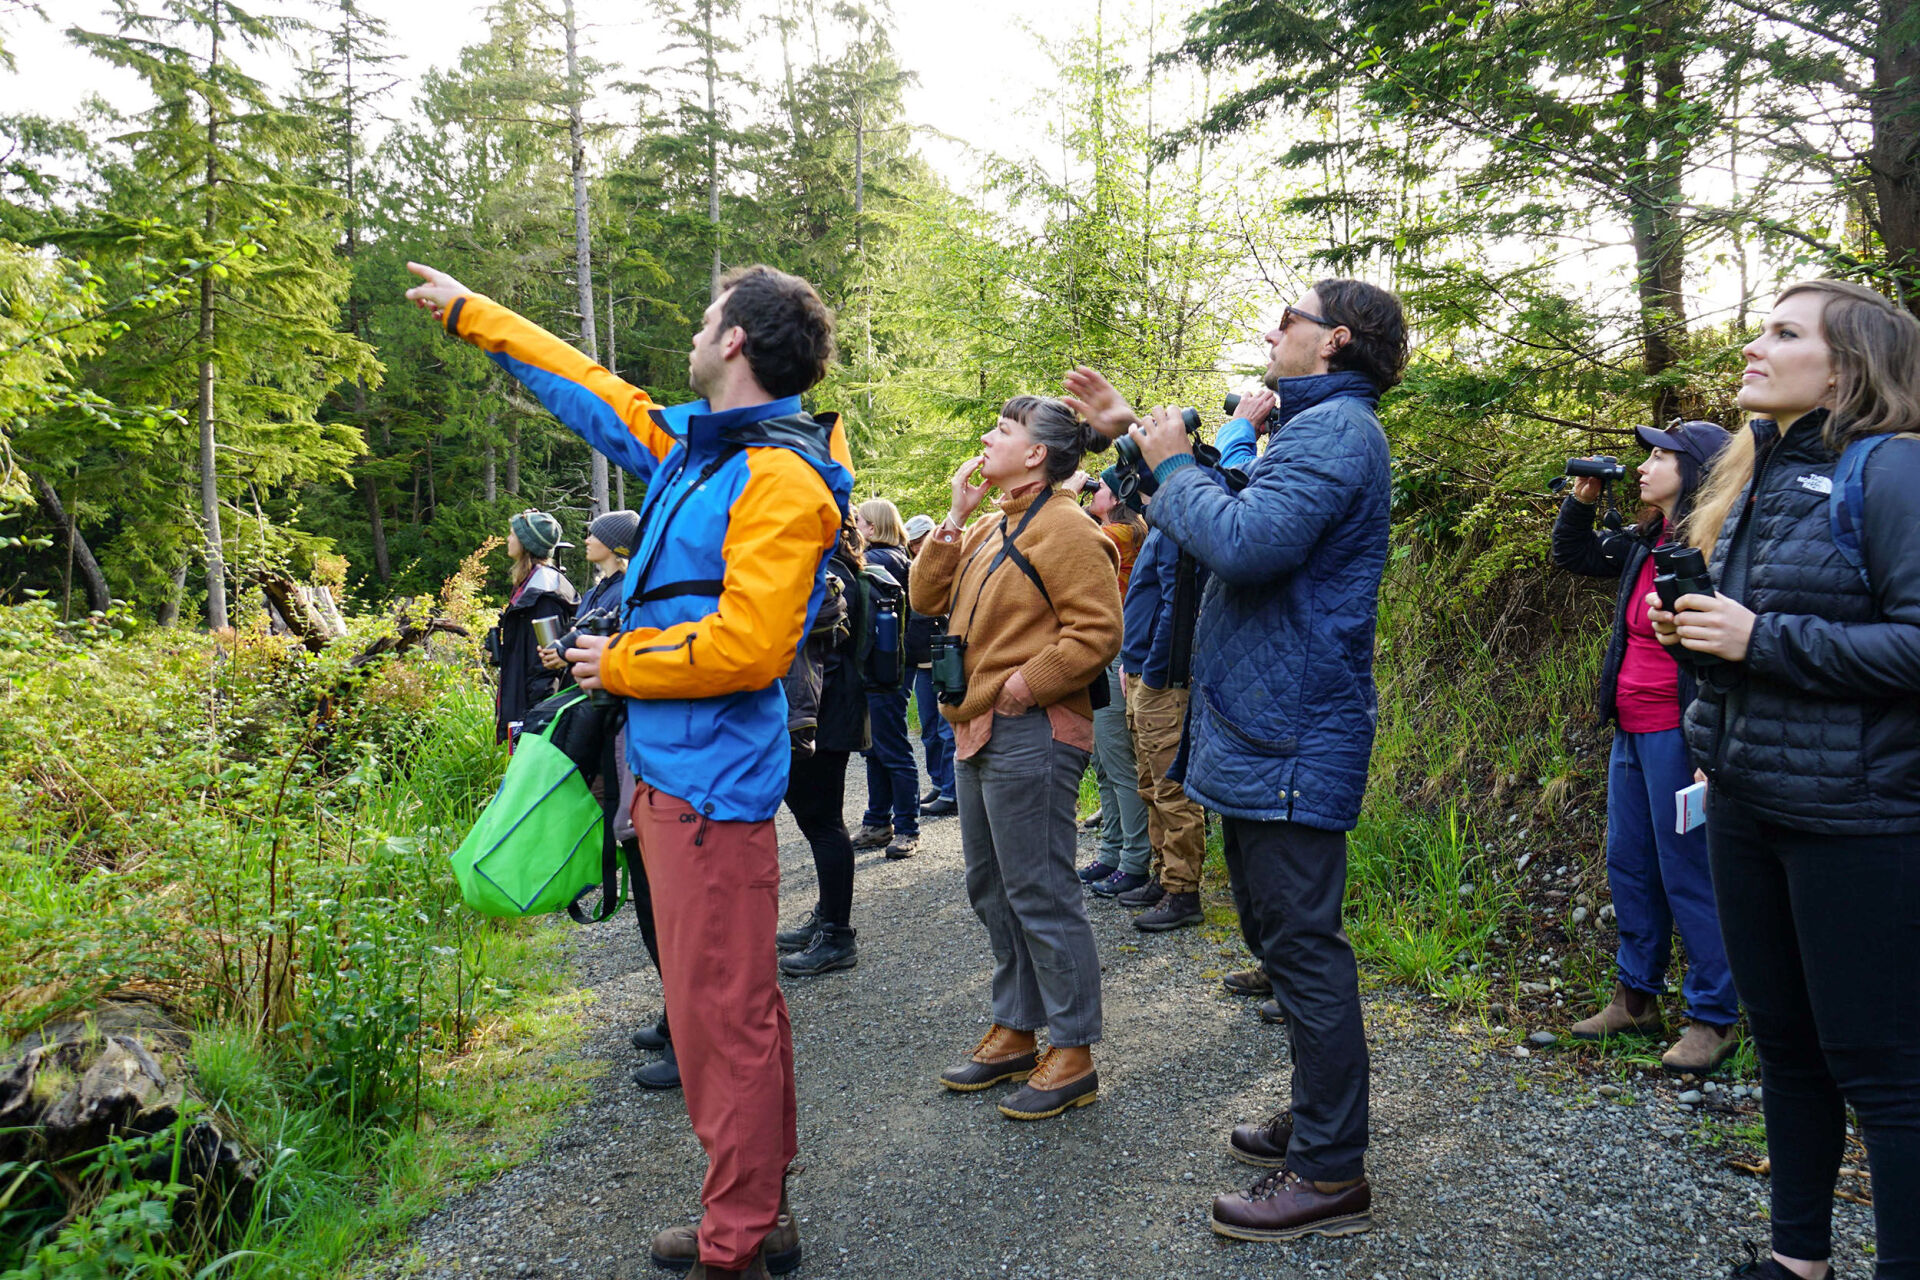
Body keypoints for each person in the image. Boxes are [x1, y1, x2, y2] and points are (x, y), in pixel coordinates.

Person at [406, 260, 852, 1280]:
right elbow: (598, 393)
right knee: (726, 1005)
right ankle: (757, 1214)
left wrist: (622, 661)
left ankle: (735, 1241)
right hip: (670, 775)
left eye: (705, 320)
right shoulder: (701, 455)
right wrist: (477, 314)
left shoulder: (777, 478)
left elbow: (753, 646)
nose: (693, 336)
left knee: (720, 1012)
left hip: (706, 792)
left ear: (735, 341)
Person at [1066, 278, 1406, 1241]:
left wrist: (1174, 463)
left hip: (1297, 729)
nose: (1270, 330)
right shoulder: (1308, 430)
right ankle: (1317, 1116)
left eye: (1286, 319)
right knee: (1274, 935)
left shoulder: (1338, 434)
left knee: (1302, 944)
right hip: (1267, 726)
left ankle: (1334, 1172)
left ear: (1334, 341)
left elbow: (1246, 543)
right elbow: (1208, 519)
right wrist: (1143, 441)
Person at [1648, 280, 1920, 1280]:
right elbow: (1758, 648)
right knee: (1787, 1045)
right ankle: (1798, 1258)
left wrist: (1763, 635)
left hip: (1861, 815)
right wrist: (1704, 638)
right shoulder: (1752, 468)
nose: (1755, 346)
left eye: (1784, 332)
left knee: (1884, 1069)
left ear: (1845, 368)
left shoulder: (1891, 471)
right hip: (1747, 801)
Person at [910, 395, 1122, 1122]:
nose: (986, 438)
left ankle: (1073, 1048)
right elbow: (925, 597)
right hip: (977, 728)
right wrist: (954, 517)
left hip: (1030, 728)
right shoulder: (992, 525)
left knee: (1040, 888)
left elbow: (1098, 632)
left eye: (1002, 431)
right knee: (992, 888)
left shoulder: (1067, 527)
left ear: (1037, 453)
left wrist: (1025, 688)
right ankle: (1018, 1027)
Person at [1551, 422, 1740, 1074]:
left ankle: (1715, 1017)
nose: (1645, 466)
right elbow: (1574, 556)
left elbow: (1723, 652)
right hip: (1631, 732)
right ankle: (1636, 998)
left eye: (1660, 456)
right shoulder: (1646, 541)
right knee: (1629, 863)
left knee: (1689, 873)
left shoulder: (1714, 545)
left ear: (1694, 471)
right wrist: (1581, 497)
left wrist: (1706, 745)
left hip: (1678, 735)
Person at [776, 519, 872, 977]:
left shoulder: (822, 577)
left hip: (821, 715)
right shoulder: (841, 569)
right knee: (822, 824)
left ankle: (836, 936)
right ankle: (827, 919)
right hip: (831, 710)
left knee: (825, 825)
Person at [1073, 471, 1155, 898]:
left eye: (1097, 487)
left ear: (1118, 496)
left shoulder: (1122, 532)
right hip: (1107, 653)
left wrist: (1067, 489)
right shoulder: (1110, 528)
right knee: (1104, 761)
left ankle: (1134, 862)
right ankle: (1112, 851)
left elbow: (1072, 542)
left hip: (1119, 653)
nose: (1091, 493)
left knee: (1120, 763)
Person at [849, 498, 920, 859]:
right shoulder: (899, 556)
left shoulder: (877, 561)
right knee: (876, 748)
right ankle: (878, 821)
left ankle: (907, 826)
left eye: (858, 521)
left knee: (890, 747)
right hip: (890, 666)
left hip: (885, 669)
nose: (854, 527)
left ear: (872, 528)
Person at [487, 509, 577, 744]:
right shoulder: (529, 586)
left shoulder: (543, 594)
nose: (508, 539)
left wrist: (534, 721)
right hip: (527, 709)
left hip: (536, 716)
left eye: (512, 534)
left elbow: (547, 666)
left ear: (527, 543)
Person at [903, 513, 958, 816]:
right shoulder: (912, 568)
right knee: (929, 729)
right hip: (922, 662)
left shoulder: (946, 564)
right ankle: (939, 783)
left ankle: (951, 793)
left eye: (919, 541)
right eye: (912, 543)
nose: (916, 548)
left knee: (946, 727)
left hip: (944, 657)